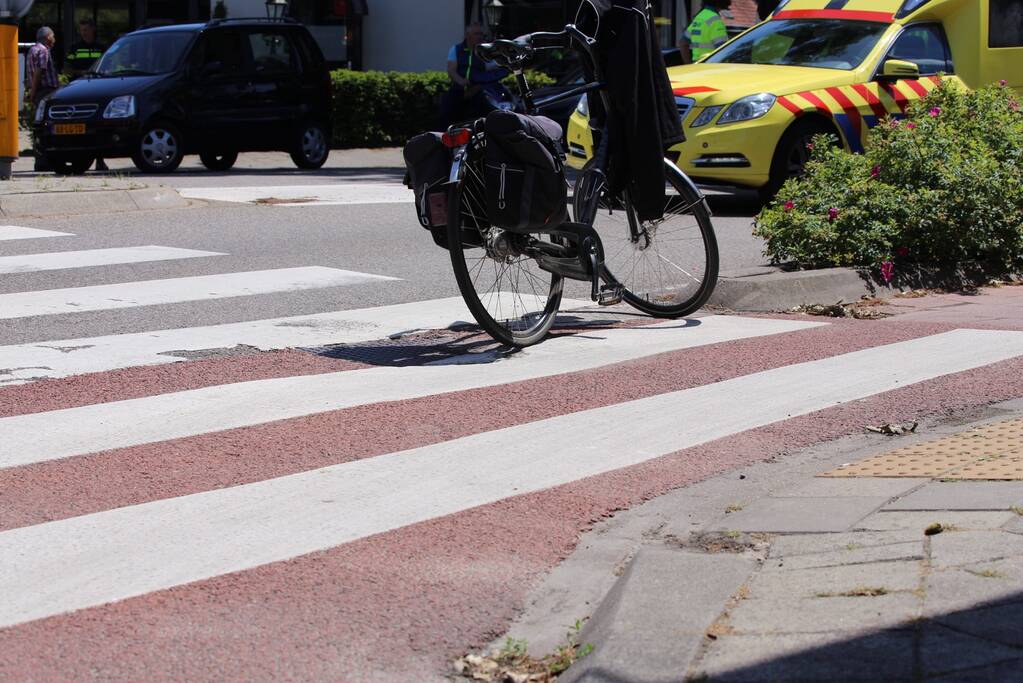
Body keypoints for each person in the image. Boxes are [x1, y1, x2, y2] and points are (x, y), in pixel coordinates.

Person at [439, 23, 509, 127]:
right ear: (468, 35)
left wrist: (480, 82)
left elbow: (496, 68)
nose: (480, 37)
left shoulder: (486, 51)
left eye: (481, 34)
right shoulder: (456, 49)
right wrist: (462, 81)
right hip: (460, 89)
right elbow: (451, 70)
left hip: (479, 89)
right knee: (446, 109)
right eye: (476, 34)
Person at [65, 17, 109, 171]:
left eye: (86, 30)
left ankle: (100, 160)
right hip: (79, 89)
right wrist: (81, 73)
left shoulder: (101, 48)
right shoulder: (75, 49)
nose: (83, 33)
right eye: (81, 30)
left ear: (93, 29)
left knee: (98, 126)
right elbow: (67, 69)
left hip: (99, 90)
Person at [25, 27, 59, 172]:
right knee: (48, 126)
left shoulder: (32, 50)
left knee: (38, 127)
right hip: (46, 92)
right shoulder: (44, 51)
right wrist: (33, 92)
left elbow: (30, 74)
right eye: (53, 36)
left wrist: (31, 92)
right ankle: (46, 161)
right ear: (47, 38)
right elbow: (39, 72)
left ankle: (40, 160)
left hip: (38, 93)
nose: (54, 39)